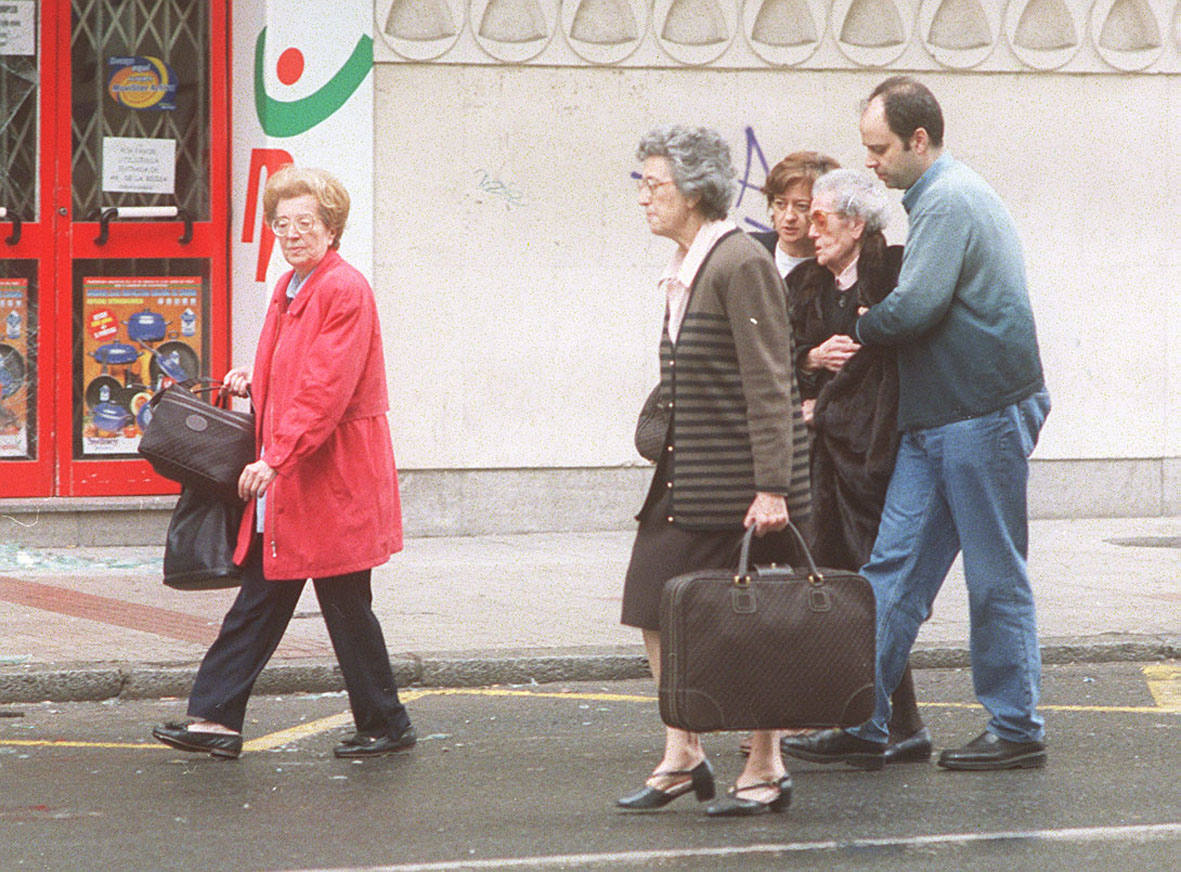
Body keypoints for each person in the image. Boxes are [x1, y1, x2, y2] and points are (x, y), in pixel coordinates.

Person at [796, 76, 1051, 771]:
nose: (870, 163)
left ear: (917, 139)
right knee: (891, 571)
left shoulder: (947, 199)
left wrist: (859, 323)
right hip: (937, 415)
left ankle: (1015, 728)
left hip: (980, 411)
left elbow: (914, 309)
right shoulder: (933, 197)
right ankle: (862, 717)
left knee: (993, 573)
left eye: (878, 149)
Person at [152, 166, 414, 760]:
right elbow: (290, 366)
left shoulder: (342, 288)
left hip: (329, 474)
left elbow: (326, 388)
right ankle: (222, 720)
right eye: (281, 223)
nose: (291, 234)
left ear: (331, 227)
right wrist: (254, 379)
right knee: (274, 597)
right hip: (301, 474)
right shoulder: (291, 284)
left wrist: (275, 458)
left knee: (339, 603)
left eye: (305, 223)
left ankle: (384, 721)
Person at [617, 125, 810, 816]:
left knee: (750, 620)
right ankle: (684, 751)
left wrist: (772, 488)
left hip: (739, 486)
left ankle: (765, 765)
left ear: (694, 190)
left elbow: (770, 383)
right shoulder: (689, 263)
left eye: (654, 184)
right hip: (686, 478)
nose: (643, 197)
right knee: (650, 601)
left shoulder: (736, 262)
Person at [777, 169, 930, 768]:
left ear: (855, 223)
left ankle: (892, 723)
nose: (808, 229)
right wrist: (811, 358)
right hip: (824, 462)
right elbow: (779, 356)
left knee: (876, 589)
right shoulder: (807, 284)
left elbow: (894, 364)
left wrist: (827, 408)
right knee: (840, 583)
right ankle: (879, 721)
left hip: (875, 455)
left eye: (819, 217)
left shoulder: (892, 273)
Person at [750, 151, 840, 281]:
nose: (789, 217)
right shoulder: (753, 251)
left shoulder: (836, 266)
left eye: (802, 206)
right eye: (780, 204)